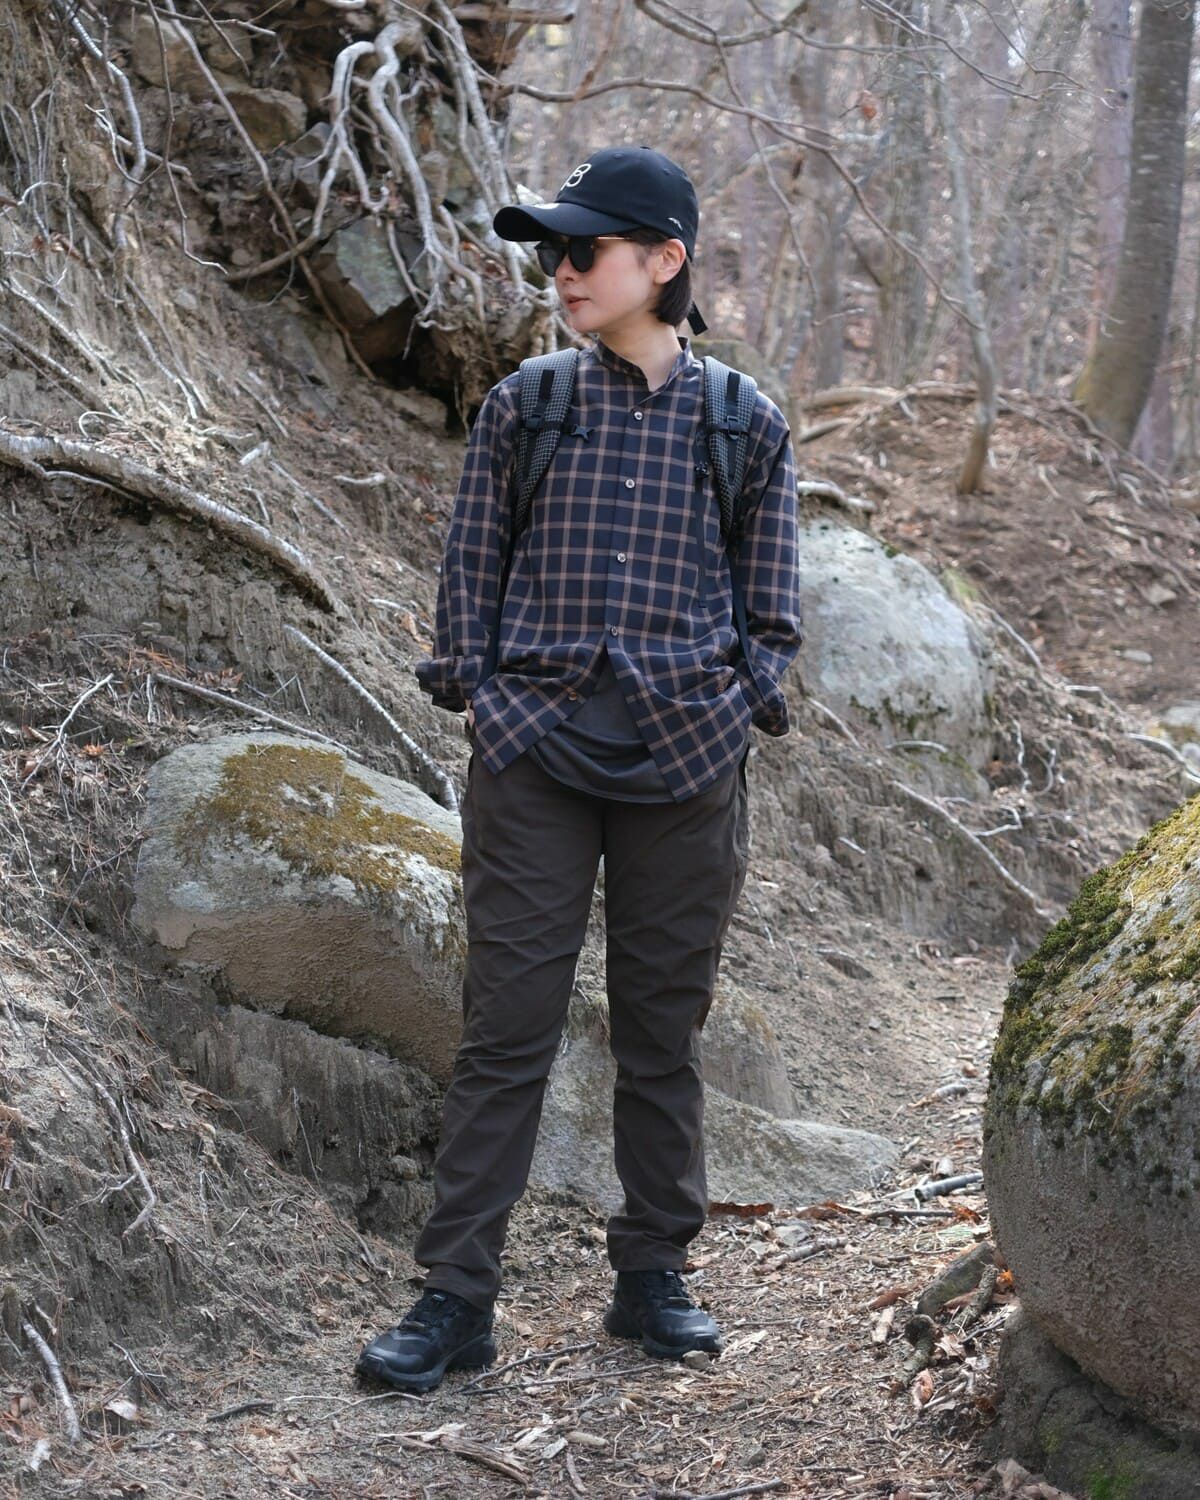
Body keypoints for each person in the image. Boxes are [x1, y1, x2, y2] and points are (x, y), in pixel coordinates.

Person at [355, 145, 802, 1395]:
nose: (560, 270)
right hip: (534, 759)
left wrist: (736, 704)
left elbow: (773, 613)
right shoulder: (527, 406)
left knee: (661, 1035)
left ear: (664, 262)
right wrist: (484, 696)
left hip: (686, 765)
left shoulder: (744, 423)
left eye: (585, 249)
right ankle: (456, 1298)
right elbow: (469, 572)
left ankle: (654, 1273)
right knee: (507, 1032)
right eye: (553, 250)